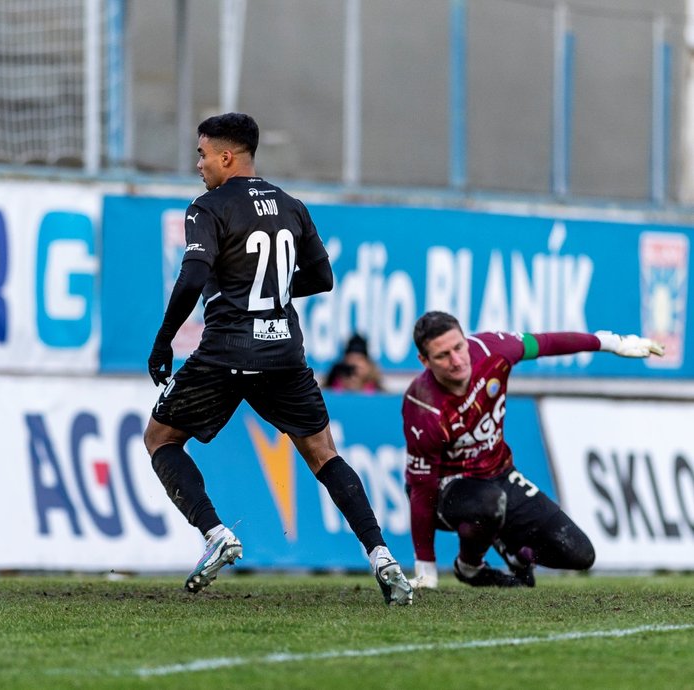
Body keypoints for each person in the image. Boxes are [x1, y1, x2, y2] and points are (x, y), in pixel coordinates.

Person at [144, 112, 413, 605]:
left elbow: (190, 277)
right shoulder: (292, 206)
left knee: (161, 438)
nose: (198, 164)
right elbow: (322, 277)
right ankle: (382, 556)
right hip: (283, 352)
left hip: (225, 350)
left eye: (202, 154)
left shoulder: (208, 207)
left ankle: (216, 534)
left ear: (227, 157)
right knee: (323, 454)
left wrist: (164, 342)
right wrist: (272, 290)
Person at [403, 311, 664, 588]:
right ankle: (469, 567)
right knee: (489, 503)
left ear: (466, 340)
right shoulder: (423, 405)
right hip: (448, 491)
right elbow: (422, 487)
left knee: (579, 553)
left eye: (459, 347)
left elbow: (548, 343)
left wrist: (609, 343)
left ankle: (516, 551)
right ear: (424, 361)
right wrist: (425, 567)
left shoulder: (493, 350)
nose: (457, 361)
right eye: (443, 355)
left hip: (498, 474)